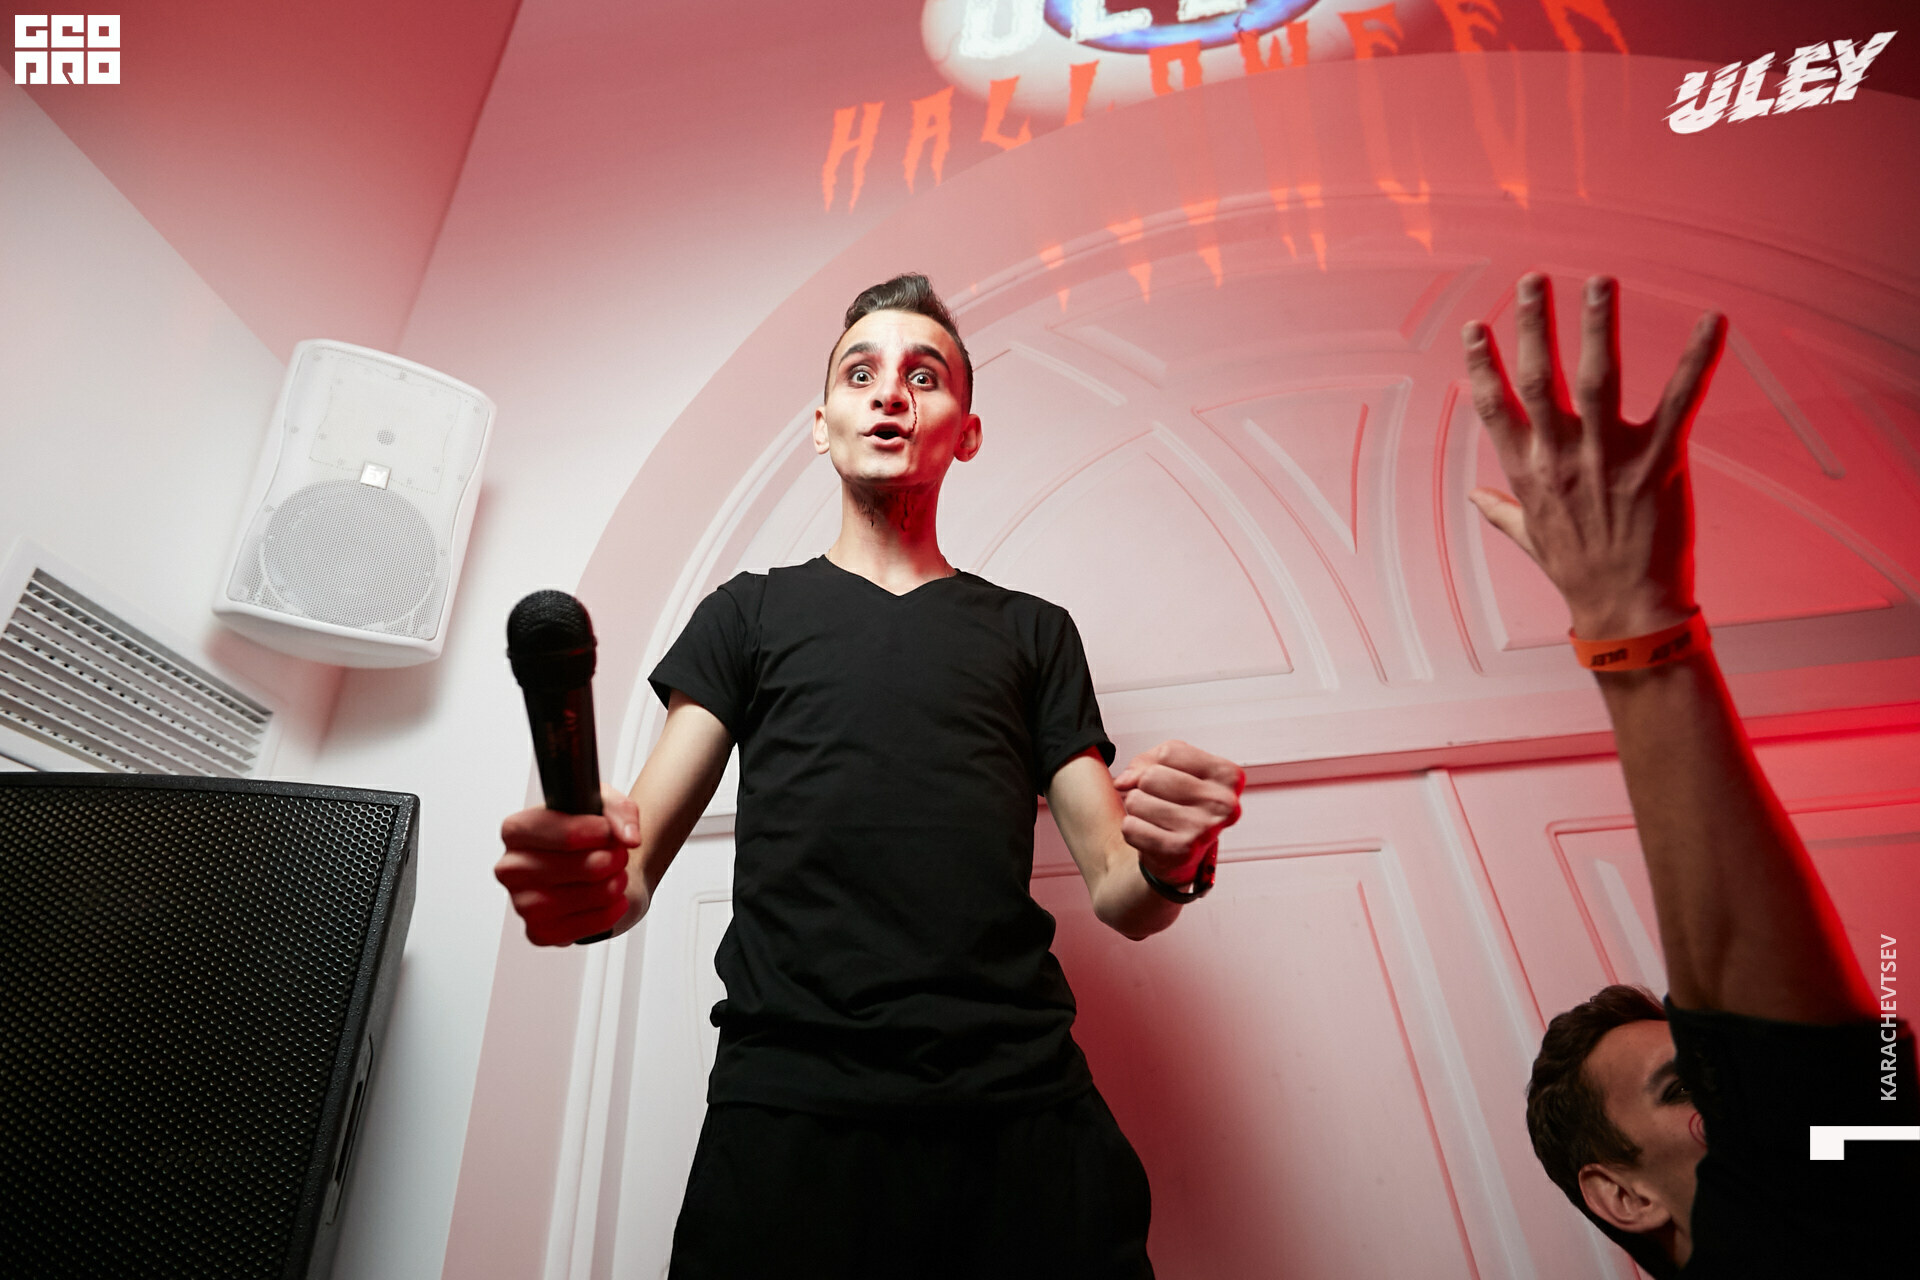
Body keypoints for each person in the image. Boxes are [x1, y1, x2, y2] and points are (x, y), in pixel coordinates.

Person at [495, 273, 1245, 1278]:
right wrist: (587, 875)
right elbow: (628, 872)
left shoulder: (1035, 633)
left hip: (1023, 1116)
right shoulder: (746, 615)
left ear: (966, 433)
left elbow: (1122, 888)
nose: (890, 391)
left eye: (924, 376)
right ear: (822, 425)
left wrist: (1174, 860)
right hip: (786, 1122)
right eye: (861, 373)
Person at [1461, 272, 1918, 1277]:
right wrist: (1633, 629)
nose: (1737, 1086)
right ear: (1624, 1194)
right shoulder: (1794, 1200)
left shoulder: (1862, 1172)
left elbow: (1850, 1117)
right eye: (1686, 1087)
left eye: (1707, 1075)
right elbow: (1810, 1098)